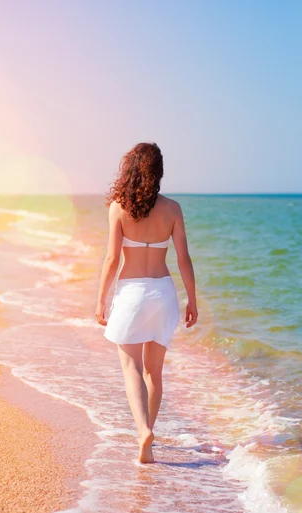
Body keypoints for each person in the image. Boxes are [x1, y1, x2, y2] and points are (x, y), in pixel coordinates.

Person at [95, 142, 198, 464]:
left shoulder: (118, 207)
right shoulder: (173, 208)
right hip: (164, 292)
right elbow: (183, 258)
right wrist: (192, 299)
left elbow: (112, 258)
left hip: (132, 293)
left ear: (130, 169)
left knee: (131, 368)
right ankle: (148, 438)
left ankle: (143, 431)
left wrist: (100, 300)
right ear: (158, 172)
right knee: (155, 373)